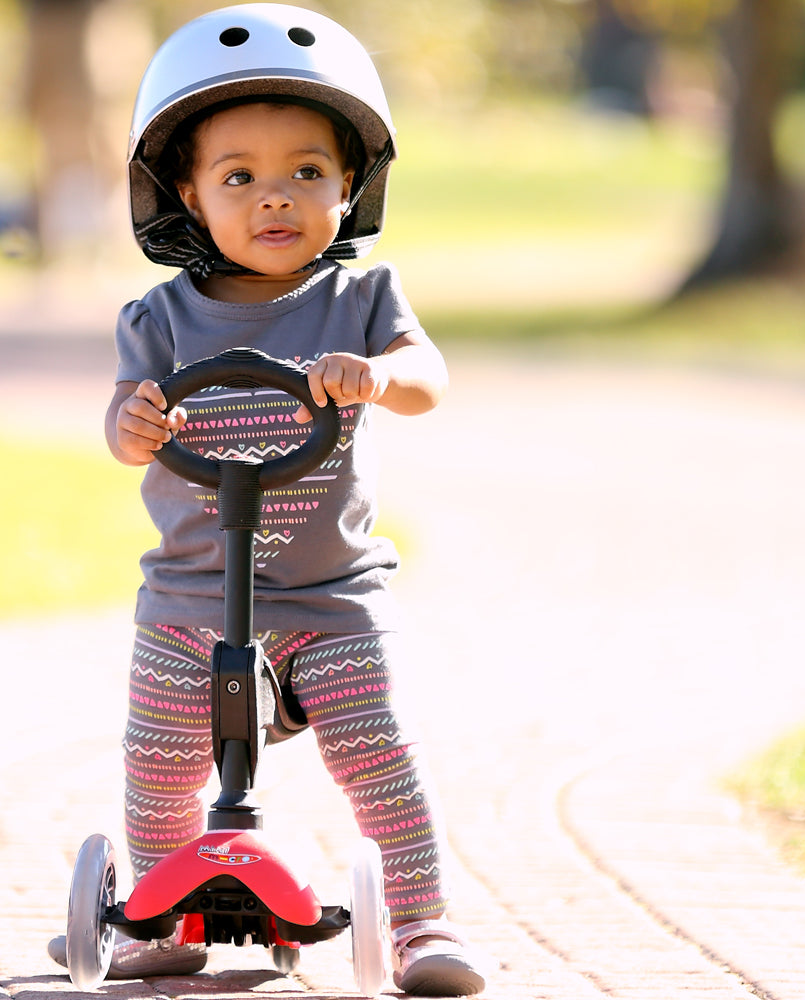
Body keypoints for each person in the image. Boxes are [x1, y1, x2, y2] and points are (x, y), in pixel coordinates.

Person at [47, 5, 486, 996]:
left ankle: (421, 924)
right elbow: (124, 418)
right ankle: (164, 908)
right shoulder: (156, 316)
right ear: (189, 197)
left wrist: (374, 374)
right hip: (191, 597)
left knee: (379, 756)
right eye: (238, 176)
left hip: (331, 600)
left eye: (305, 173)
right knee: (159, 766)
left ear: (349, 186)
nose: (274, 197)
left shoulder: (363, 299)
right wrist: (134, 424)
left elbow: (428, 376)